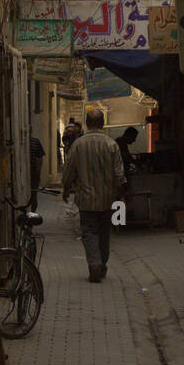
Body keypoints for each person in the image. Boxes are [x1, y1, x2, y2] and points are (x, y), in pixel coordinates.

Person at [61, 108, 125, 283]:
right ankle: (101, 263)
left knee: (89, 232)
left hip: (86, 200)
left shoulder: (78, 145)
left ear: (88, 124)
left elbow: (69, 171)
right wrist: (120, 195)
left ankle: (95, 263)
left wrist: (66, 189)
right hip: (107, 199)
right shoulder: (112, 145)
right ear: (103, 123)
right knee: (104, 232)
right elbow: (119, 174)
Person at [28, 132, 45, 212]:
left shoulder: (35, 141)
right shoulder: (34, 141)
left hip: (34, 174)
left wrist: (38, 172)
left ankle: (32, 213)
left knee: (33, 196)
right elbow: (40, 158)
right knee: (33, 196)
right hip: (32, 174)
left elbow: (40, 158)